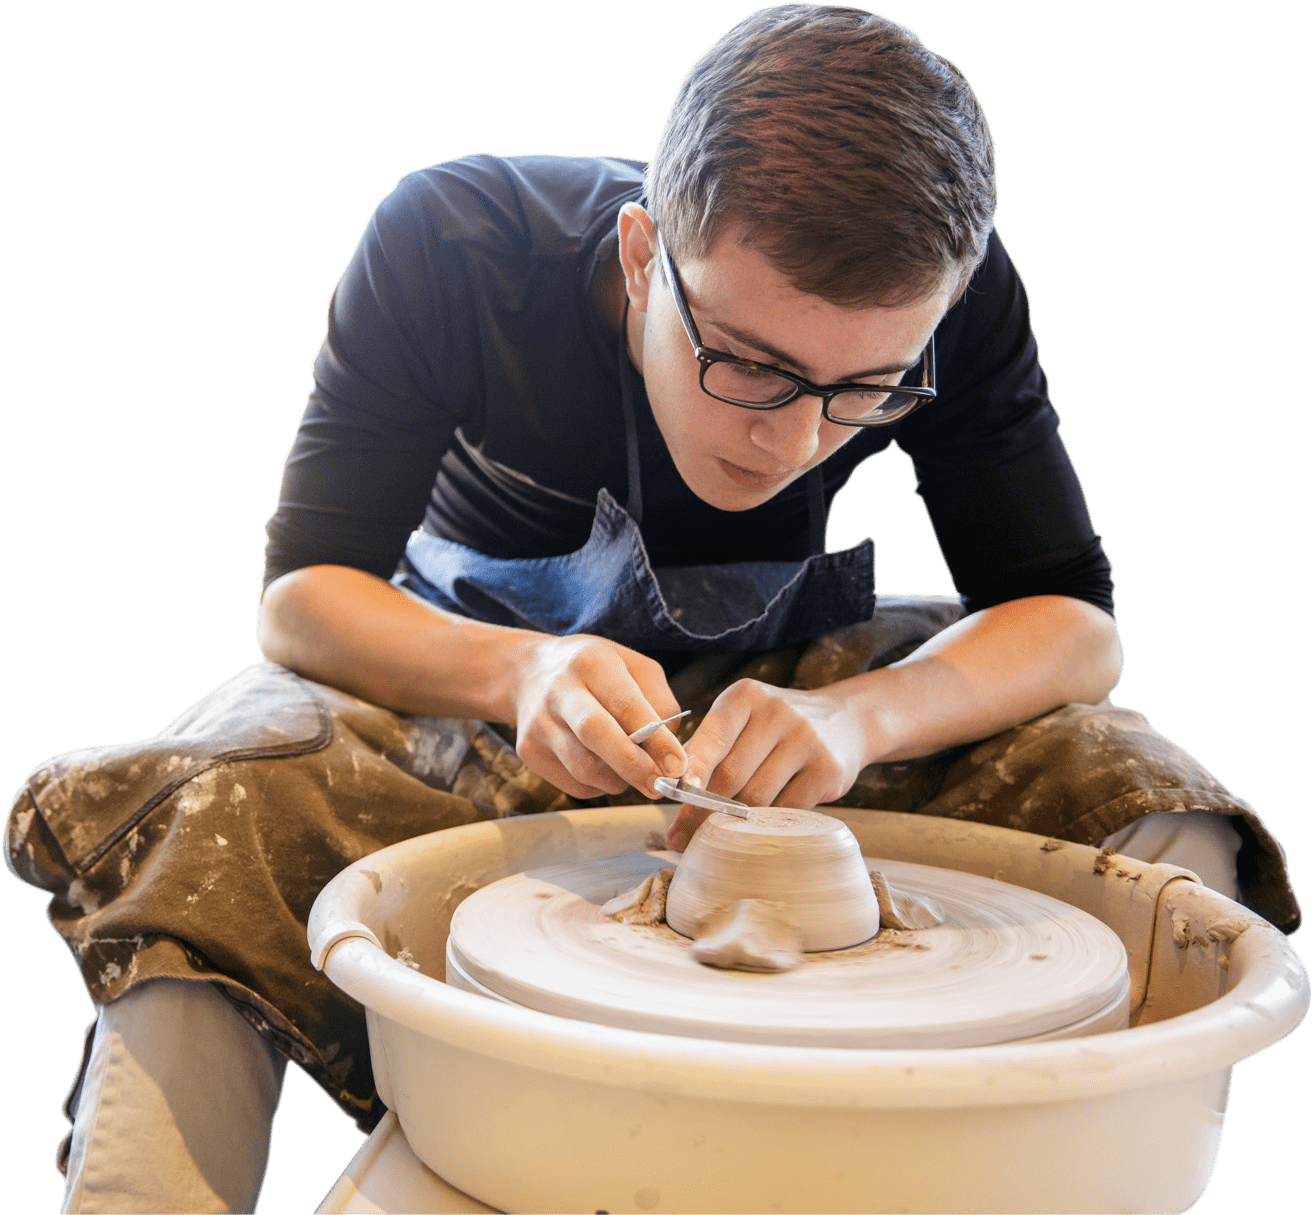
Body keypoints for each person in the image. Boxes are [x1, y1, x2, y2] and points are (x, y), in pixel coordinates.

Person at [5, 4, 1298, 1212]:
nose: (792, 438)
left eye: (864, 391)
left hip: (780, 702)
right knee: (199, 801)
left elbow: (1071, 620)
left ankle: (1061, 1159)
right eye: (746, 361)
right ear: (642, 256)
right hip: (471, 689)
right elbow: (303, 603)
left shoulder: (956, 301)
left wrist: (856, 718)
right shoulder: (459, 243)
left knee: (1141, 784)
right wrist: (520, 674)